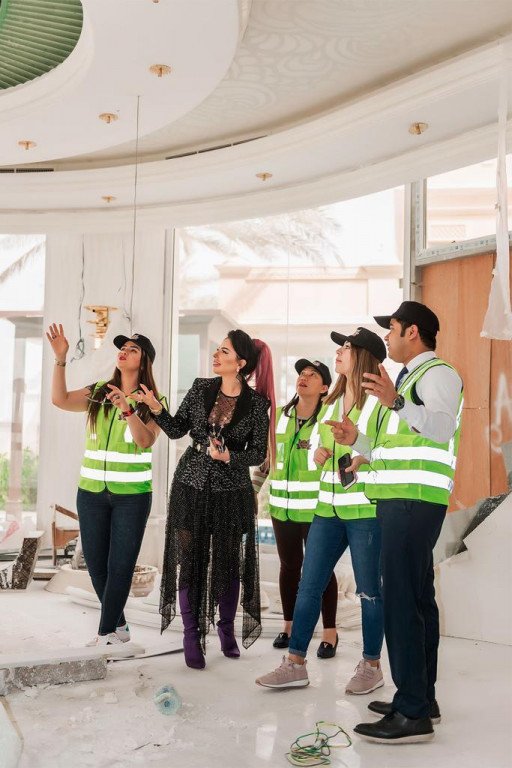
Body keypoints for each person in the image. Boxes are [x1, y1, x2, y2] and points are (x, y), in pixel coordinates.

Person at [330, 302, 463, 744]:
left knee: (402, 604)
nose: (387, 336)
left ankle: (411, 714)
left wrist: (397, 401)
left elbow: (441, 429)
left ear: (413, 332)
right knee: (418, 600)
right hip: (399, 502)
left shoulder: (437, 374)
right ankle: (421, 697)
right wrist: (359, 440)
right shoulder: (404, 380)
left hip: (413, 503)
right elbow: (398, 442)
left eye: (392, 329)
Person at [255, 327, 387, 693]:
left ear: (363, 356)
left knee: (368, 591)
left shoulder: (379, 402)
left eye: (346, 347)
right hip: (327, 509)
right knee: (308, 585)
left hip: (364, 510)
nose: (339, 352)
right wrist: (319, 453)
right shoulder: (331, 402)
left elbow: (388, 452)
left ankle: (371, 665)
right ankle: (295, 662)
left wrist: (356, 442)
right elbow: (317, 449)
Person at [137, 330, 275, 669]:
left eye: (223, 351)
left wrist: (229, 458)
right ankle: (190, 634)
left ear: (240, 363)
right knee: (191, 559)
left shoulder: (257, 405)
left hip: (231, 490)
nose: (216, 355)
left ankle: (225, 628)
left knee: (227, 563)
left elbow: (258, 453)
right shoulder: (200, 388)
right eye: (216, 349)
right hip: (190, 483)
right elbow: (176, 429)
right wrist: (156, 408)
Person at [47, 325, 164, 646]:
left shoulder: (154, 401)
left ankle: (105, 635)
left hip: (132, 498)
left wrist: (127, 409)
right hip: (91, 494)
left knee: (120, 566)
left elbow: (145, 441)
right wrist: (60, 359)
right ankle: (120, 628)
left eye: (133, 349)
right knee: (97, 567)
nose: (124, 351)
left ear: (143, 362)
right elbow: (59, 400)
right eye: (122, 347)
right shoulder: (99, 391)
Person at [267, 359, 339, 657]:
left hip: (316, 508)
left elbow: (339, 459)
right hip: (281, 506)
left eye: (313, 375)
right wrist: (252, 491)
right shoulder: (280, 417)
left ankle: (330, 633)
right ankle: (289, 625)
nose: (304, 377)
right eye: (301, 373)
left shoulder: (330, 419)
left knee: (320, 569)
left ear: (324, 388)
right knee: (289, 565)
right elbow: (267, 459)